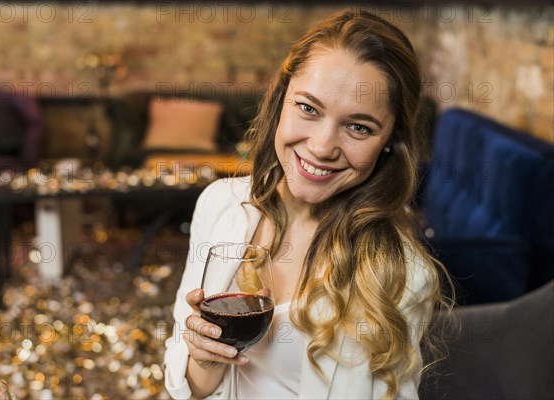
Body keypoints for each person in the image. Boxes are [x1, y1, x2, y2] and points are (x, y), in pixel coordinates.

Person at [164, 9, 453, 400]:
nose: (321, 147)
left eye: (358, 127)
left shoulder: (400, 273)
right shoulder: (219, 204)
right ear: (282, 99)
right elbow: (189, 388)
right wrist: (203, 358)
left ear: (389, 142)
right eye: (308, 108)